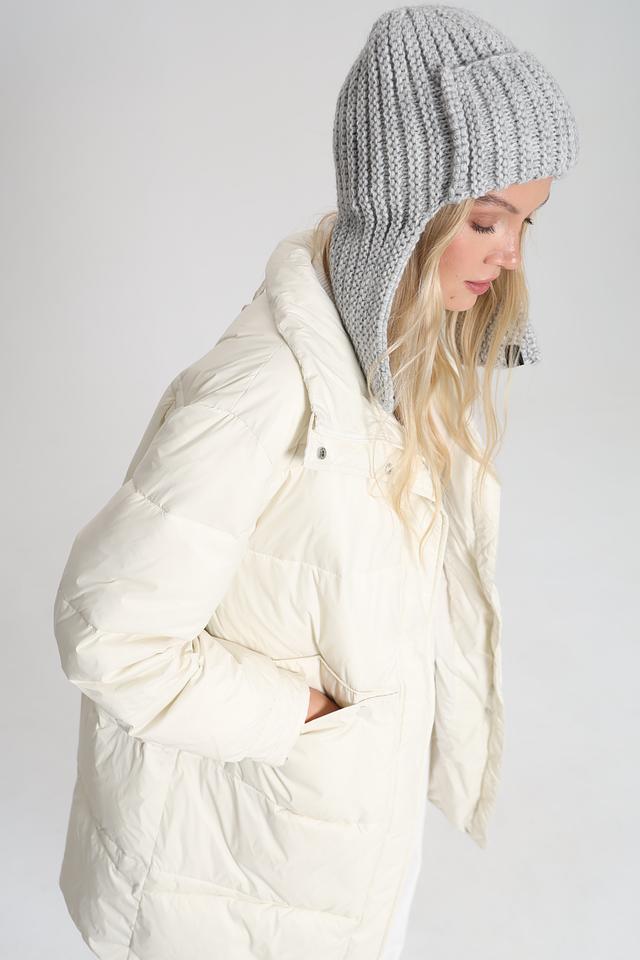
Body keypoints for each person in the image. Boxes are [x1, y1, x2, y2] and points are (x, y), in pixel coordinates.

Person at [52, 5, 579, 959]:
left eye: (526, 223)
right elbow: (108, 634)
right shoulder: (265, 391)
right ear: (406, 210)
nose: (510, 255)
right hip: (228, 890)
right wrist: (295, 716)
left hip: (322, 862)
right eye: (486, 219)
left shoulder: (390, 376)